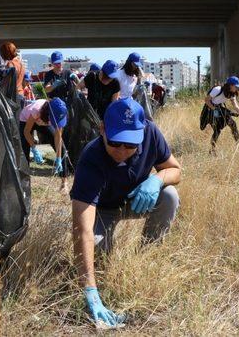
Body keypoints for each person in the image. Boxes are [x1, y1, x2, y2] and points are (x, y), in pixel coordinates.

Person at [70, 98, 182, 328]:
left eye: (130, 145)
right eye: (115, 142)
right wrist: (90, 290)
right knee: (98, 251)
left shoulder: (151, 133)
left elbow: (176, 169)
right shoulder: (90, 159)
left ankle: (147, 254)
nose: (122, 151)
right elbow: (82, 230)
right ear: (102, 129)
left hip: (136, 201)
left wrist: (157, 179)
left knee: (169, 195)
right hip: (103, 210)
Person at [19, 97, 69, 193]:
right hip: (26, 120)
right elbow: (26, 132)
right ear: (49, 112)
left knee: (62, 148)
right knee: (25, 150)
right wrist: (34, 148)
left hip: (44, 121)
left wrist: (58, 158)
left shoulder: (62, 114)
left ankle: (64, 183)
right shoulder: (36, 109)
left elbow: (58, 137)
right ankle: (23, 184)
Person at [204, 76, 239, 153]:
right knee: (217, 130)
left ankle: (238, 144)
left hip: (220, 109)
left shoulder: (232, 93)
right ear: (231, 85)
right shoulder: (218, 90)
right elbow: (206, 100)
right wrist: (214, 109)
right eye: (236, 86)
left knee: (233, 124)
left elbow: (236, 106)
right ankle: (212, 150)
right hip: (211, 109)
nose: (237, 89)